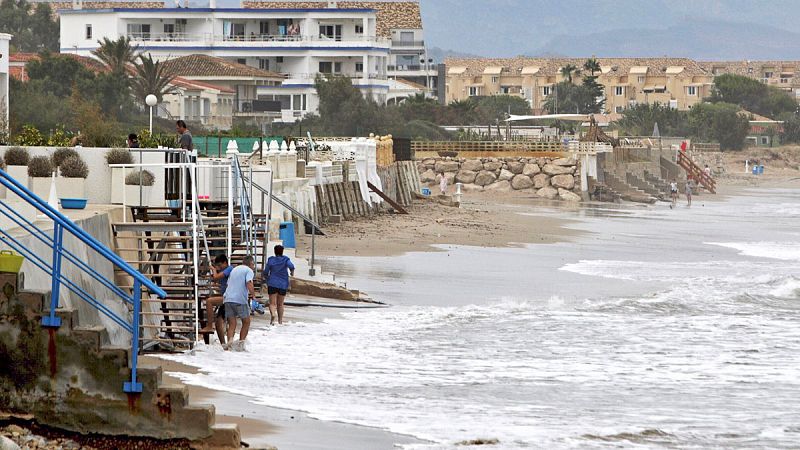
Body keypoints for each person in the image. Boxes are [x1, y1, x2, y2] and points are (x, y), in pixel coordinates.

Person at [223, 256, 256, 348]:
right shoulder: (249, 271)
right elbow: (249, 282)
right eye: (253, 264)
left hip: (228, 298)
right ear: (250, 264)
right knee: (246, 322)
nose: (254, 266)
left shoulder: (234, 270)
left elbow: (228, 283)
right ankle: (241, 344)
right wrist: (253, 295)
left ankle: (229, 342)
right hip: (240, 299)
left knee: (232, 323)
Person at [200, 255, 233, 341]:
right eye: (217, 265)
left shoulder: (229, 269)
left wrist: (214, 270)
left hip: (229, 297)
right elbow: (215, 279)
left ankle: (210, 326)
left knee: (209, 302)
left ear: (225, 263)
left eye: (219, 265)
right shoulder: (223, 271)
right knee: (218, 323)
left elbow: (216, 277)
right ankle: (224, 345)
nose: (218, 267)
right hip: (226, 297)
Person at [263, 245, 295, 326]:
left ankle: (273, 315)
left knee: (272, 303)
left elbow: (266, 271)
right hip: (283, 284)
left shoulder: (271, 260)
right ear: (282, 251)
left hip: (272, 283)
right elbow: (291, 266)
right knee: (280, 304)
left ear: (274, 251)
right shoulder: (285, 259)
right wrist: (292, 272)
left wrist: (267, 279)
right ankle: (280, 321)